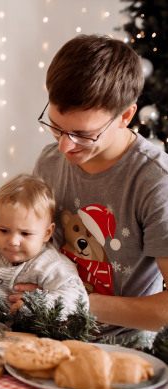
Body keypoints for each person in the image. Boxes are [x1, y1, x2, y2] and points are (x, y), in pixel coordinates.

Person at [31, 34, 168, 344]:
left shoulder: (156, 181)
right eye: (55, 126)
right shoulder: (48, 162)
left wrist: (75, 301)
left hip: (124, 348)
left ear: (125, 116)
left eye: (83, 134)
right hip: (47, 334)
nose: (65, 147)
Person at [0, 174, 88, 316]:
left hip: (27, 334)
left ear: (47, 233)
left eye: (25, 234)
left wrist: (39, 303)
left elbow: (79, 299)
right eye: (3, 230)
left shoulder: (51, 265)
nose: (13, 241)